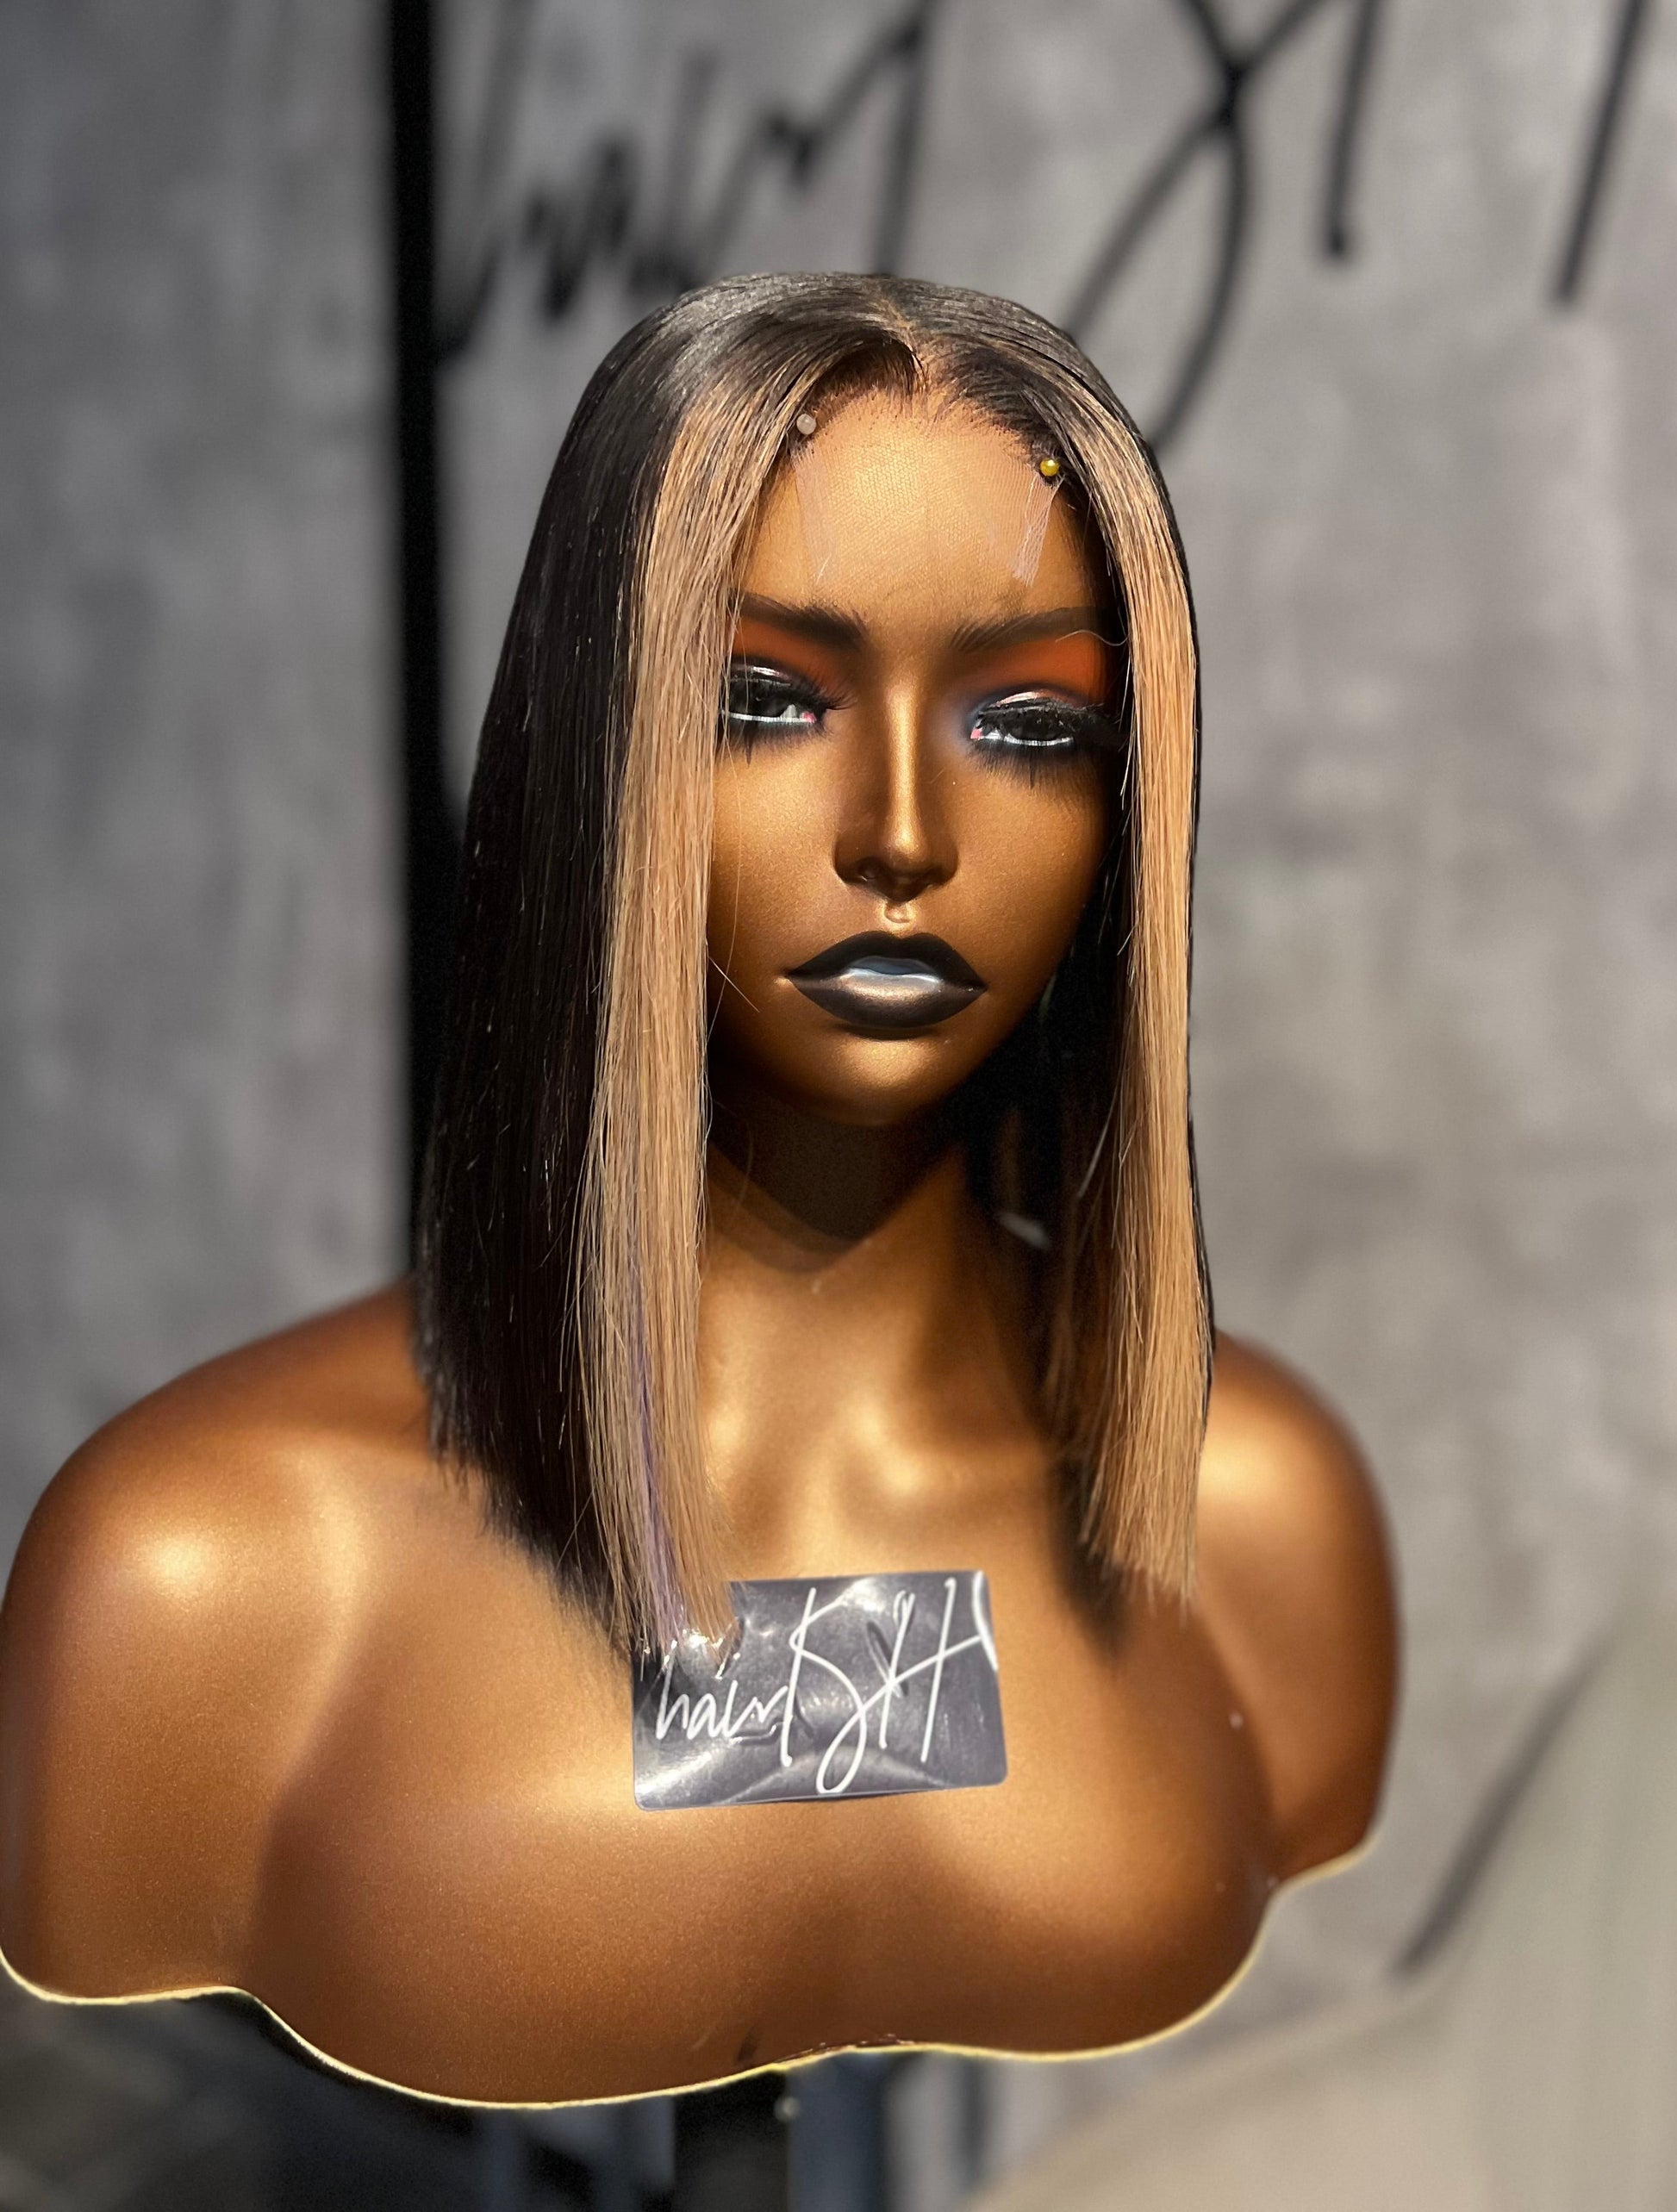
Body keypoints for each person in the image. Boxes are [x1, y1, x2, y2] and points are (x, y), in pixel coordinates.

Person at [0, 274, 1396, 2106]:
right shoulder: (198, 1576)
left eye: (1028, 725)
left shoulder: (1256, 1512)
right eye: (763, 702)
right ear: (592, 746)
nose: (901, 832)